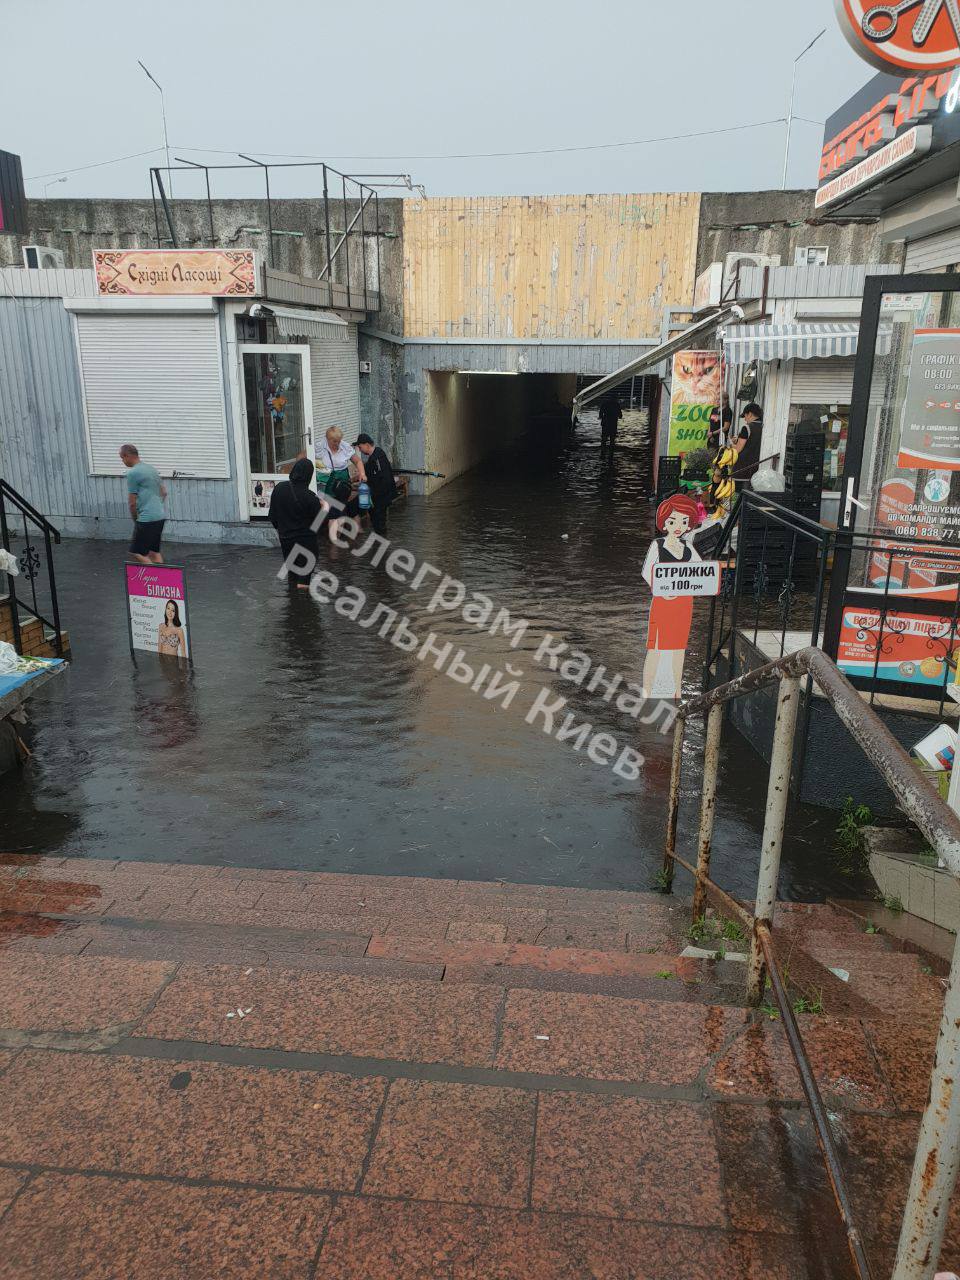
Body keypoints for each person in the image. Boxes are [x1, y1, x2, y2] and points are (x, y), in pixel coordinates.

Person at [642, 494, 702, 701]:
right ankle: (648, 689)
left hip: (684, 603)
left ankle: (676, 689)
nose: (679, 525)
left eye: (684, 521)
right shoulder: (657, 546)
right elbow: (648, 572)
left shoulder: (689, 548)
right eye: (673, 521)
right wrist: (662, 589)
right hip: (662, 603)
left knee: (679, 648)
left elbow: (701, 572)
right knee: (656, 647)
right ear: (664, 523)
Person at [268, 456, 323, 587]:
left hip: (286, 540)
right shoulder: (311, 498)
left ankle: (293, 604)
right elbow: (318, 525)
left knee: (292, 575)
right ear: (309, 476)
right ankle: (302, 605)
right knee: (304, 581)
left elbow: (272, 516)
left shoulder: (279, 489)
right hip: (306, 544)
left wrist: (283, 530)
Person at [319, 426, 367, 545]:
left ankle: (335, 541)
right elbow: (304, 455)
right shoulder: (319, 447)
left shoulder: (345, 447)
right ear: (327, 439)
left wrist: (362, 473)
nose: (337, 444)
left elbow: (357, 461)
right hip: (328, 483)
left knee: (339, 509)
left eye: (339, 441)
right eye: (334, 441)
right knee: (335, 511)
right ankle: (335, 541)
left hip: (343, 485)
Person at [120, 444, 167, 565]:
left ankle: (156, 576)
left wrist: (136, 520)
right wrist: (156, 507)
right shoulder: (151, 469)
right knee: (153, 552)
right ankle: (162, 580)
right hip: (160, 516)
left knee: (137, 552)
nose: (123, 461)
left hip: (146, 518)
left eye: (122, 458)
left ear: (127, 456)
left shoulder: (133, 473)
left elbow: (132, 503)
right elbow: (164, 492)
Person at [354, 433, 399, 536]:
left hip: (380, 497)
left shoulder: (377, 458)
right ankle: (381, 543)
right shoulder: (377, 454)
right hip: (378, 496)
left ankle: (382, 543)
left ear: (366, 445)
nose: (360, 450)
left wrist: (374, 494)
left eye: (360, 447)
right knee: (377, 521)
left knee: (379, 522)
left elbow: (384, 479)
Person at [733, 403, 764, 482]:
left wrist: (731, 445)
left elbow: (737, 449)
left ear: (750, 414)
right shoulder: (764, 427)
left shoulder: (746, 428)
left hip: (742, 468)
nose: (745, 419)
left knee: (738, 492)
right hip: (758, 467)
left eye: (745, 416)